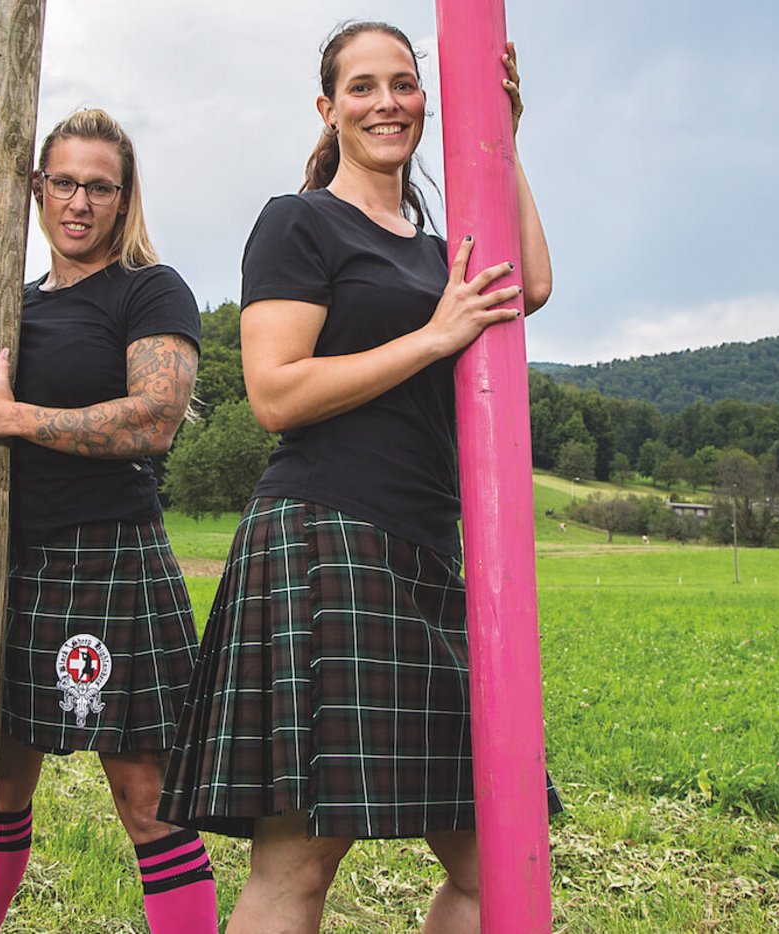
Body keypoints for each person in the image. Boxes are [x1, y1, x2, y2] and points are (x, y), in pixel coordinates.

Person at [159, 22, 558, 933]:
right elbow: (275, 392)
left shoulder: (434, 248)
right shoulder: (299, 222)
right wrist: (433, 335)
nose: (388, 103)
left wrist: (503, 135)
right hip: (322, 544)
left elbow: (528, 283)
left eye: (407, 85)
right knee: (297, 871)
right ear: (328, 107)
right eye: (365, 87)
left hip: (424, 554)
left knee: (500, 855)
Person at [0, 108, 217, 934]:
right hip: (3, 562)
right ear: (36, 188)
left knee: (147, 798)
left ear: (123, 197)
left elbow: (156, 419)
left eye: (99, 187)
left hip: (110, 556)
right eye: (64, 182)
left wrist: (15, 417)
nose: (79, 202)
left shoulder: (149, 289)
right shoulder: (2, 297)